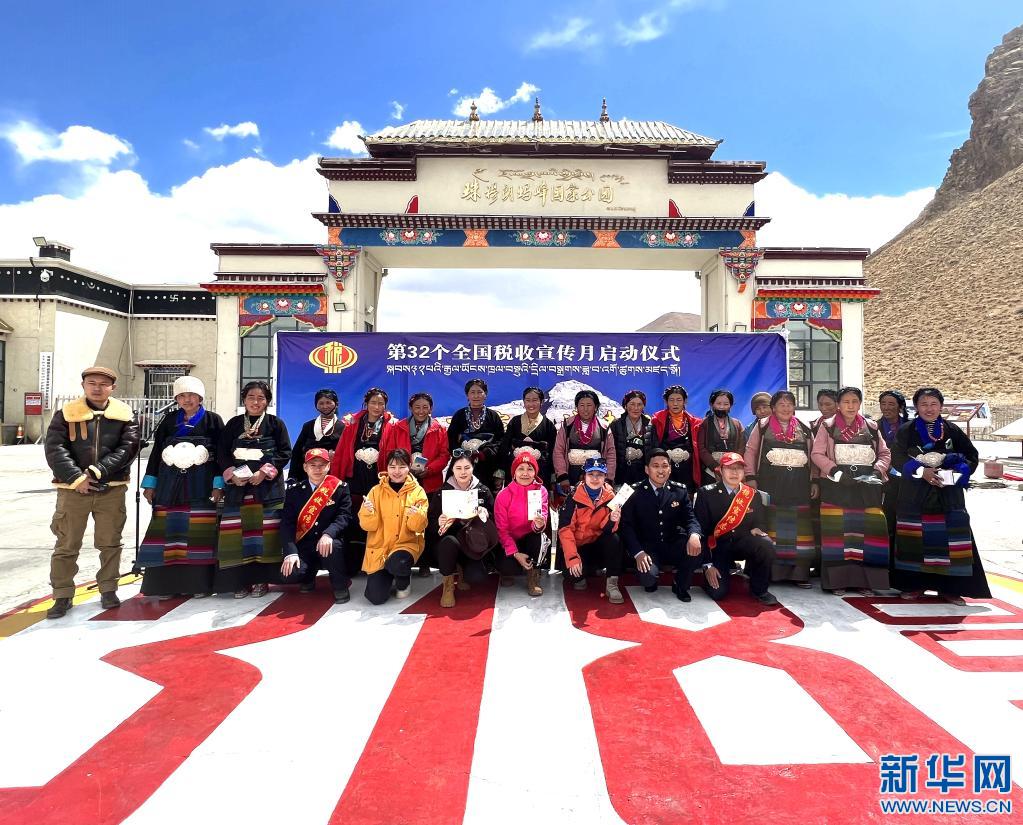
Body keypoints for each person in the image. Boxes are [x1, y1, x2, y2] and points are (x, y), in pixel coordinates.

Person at [44, 366, 140, 619]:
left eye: (103, 384)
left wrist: (98, 471)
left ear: (113, 388)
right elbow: (55, 449)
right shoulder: (66, 414)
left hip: (111, 489)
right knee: (66, 543)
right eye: (92, 383)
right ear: (83, 385)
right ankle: (62, 594)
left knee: (110, 543)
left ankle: (108, 589)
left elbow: (128, 448)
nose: (97, 388)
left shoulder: (124, 415)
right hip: (73, 490)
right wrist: (77, 478)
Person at [891, 387, 991, 604]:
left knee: (950, 541)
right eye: (924, 404)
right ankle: (914, 585)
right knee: (915, 540)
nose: (929, 408)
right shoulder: (907, 430)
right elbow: (896, 457)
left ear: (941, 406)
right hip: (916, 495)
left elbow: (971, 455)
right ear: (916, 407)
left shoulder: (952, 430)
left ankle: (950, 589)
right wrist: (921, 471)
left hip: (948, 495)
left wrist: (958, 471)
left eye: (933, 404)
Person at [138, 376, 224, 600]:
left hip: (201, 485)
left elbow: (221, 455)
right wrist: (150, 484)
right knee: (168, 533)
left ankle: (198, 584)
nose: (187, 400)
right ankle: (165, 585)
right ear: (176, 399)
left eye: (192, 395)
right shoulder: (168, 421)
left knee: (198, 535)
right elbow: (156, 453)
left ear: (200, 397)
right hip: (169, 485)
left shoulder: (213, 420)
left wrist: (218, 485)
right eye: (182, 396)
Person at [811, 386, 891, 595]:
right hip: (837, 486)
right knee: (838, 535)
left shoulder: (871, 426)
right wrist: (835, 472)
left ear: (860, 403)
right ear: (838, 404)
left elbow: (884, 453)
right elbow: (817, 454)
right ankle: (837, 582)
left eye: (855, 401)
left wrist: (877, 471)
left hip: (867, 487)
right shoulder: (828, 426)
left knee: (867, 534)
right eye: (846, 402)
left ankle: (865, 582)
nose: (850, 406)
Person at [215, 381, 292, 598]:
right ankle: (238, 581)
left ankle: (261, 580)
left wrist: (264, 472)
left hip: (267, 490)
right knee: (237, 537)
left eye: (261, 398)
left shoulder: (276, 424)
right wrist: (232, 474)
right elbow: (222, 452)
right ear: (244, 399)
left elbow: (285, 452)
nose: (255, 402)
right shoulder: (233, 424)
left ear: (267, 401)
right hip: (237, 490)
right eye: (251, 397)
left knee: (264, 537)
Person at [743, 390, 818, 588]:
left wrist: (814, 481)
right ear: (773, 408)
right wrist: (750, 477)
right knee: (770, 527)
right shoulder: (762, 426)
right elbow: (750, 452)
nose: (786, 408)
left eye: (789, 404)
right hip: (770, 485)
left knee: (799, 530)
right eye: (781, 404)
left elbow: (813, 456)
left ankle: (799, 574)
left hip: (799, 486)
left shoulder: (804, 428)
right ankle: (769, 573)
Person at [620, 448, 703, 602]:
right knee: (647, 579)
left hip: (672, 542)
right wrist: (638, 553)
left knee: (697, 546)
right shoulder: (631, 490)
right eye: (655, 466)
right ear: (647, 469)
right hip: (647, 547)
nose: (660, 470)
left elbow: (690, 518)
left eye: (665, 466)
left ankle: (680, 583)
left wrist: (694, 534)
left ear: (670, 469)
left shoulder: (680, 490)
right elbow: (625, 526)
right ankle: (652, 575)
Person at [379, 391, 449, 578]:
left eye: (425, 407)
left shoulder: (439, 428)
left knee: (427, 523)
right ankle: (404, 560)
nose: (421, 411)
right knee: (404, 521)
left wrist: (430, 469)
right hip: (403, 481)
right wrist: (402, 471)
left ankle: (425, 562)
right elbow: (391, 452)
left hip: (429, 481)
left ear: (431, 408)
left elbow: (444, 455)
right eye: (417, 407)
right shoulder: (399, 427)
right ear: (411, 408)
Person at [694, 453, 778, 605]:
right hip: (717, 548)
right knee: (717, 593)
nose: (734, 472)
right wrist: (708, 564)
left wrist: (758, 528)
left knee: (765, 544)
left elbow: (761, 522)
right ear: (720, 470)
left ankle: (760, 589)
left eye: (739, 468)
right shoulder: (706, 493)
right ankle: (712, 574)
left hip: (742, 544)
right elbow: (701, 531)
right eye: (730, 468)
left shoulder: (752, 495)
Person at [330, 387, 394, 571]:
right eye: (373, 402)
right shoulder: (353, 423)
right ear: (366, 403)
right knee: (354, 519)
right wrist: (336, 479)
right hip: (355, 477)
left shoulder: (391, 425)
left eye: (381, 403)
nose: (377, 407)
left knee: (378, 520)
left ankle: (377, 563)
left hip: (378, 477)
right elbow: (342, 451)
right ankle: (353, 563)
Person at [427, 450, 500, 608]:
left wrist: (485, 514)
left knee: (477, 577)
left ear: (473, 468)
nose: (463, 472)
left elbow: (495, 521)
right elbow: (430, 523)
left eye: (467, 468)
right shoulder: (442, 492)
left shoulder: (482, 490)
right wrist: (438, 522)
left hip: (472, 542)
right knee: (448, 542)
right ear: (452, 469)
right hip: (449, 543)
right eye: (458, 468)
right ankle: (448, 585)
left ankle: (462, 569)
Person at [279, 448, 352, 604]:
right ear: (305, 467)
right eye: (313, 465)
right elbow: (287, 523)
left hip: (330, 543)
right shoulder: (294, 491)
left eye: (322, 465)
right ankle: (308, 577)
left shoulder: (340, 488)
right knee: (290, 573)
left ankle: (340, 586)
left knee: (333, 547)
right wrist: (290, 553)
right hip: (305, 544)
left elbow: (344, 516)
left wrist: (328, 534)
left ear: (328, 466)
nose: (317, 469)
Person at [359, 449, 429, 605]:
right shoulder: (375, 491)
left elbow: (418, 528)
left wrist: (416, 515)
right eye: (392, 467)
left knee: (397, 564)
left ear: (409, 467)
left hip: (406, 545)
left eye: (402, 467)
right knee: (375, 598)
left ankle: (403, 580)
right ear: (387, 468)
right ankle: (389, 574)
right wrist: (368, 512)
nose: (397, 471)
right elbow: (367, 526)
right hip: (380, 549)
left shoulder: (418, 492)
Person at [558, 457, 625, 604]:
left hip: (597, 544)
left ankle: (612, 584)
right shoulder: (573, 497)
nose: (595, 478)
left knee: (614, 539)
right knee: (572, 575)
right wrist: (572, 557)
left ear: (605, 477)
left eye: (599, 475)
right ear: (584, 476)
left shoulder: (611, 496)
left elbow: (608, 530)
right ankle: (589, 570)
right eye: (591, 474)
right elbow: (565, 529)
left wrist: (612, 519)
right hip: (579, 546)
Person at [494, 452, 549, 597]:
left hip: (530, 537)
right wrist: (515, 553)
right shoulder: (503, 495)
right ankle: (512, 568)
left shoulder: (541, 491)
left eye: (530, 469)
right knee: (507, 567)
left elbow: (543, 516)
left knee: (539, 537)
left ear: (535, 472)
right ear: (514, 472)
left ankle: (533, 575)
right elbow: (502, 529)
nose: (525, 473)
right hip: (511, 540)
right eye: (521, 469)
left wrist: (539, 524)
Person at [553, 390, 616, 496]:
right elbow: (558, 451)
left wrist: (608, 478)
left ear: (596, 407)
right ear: (576, 407)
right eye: (582, 405)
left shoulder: (604, 428)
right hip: (571, 475)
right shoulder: (567, 425)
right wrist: (563, 476)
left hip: (596, 476)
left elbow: (611, 454)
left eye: (589, 405)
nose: (585, 409)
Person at [447, 378, 506, 489]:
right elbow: (451, 439)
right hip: (462, 464)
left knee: (485, 496)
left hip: (487, 465)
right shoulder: (459, 415)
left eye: (479, 392)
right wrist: (462, 454)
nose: (476, 396)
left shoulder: (493, 416)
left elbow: (500, 441)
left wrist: (485, 453)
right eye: (472, 392)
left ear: (485, 394)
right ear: (467, 395)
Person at [647, 385, 702, 493]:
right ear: (666, 401)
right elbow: (653, 446)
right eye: (671, 400)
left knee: (687, 496)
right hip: (665, 468)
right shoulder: (657, 420)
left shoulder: (695, 422)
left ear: (685, 401)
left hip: (687, 469)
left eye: (679, 400)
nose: (675, 403)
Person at [500, 386, 557, 489]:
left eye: (535, 400)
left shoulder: (548, 425)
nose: (531, 404)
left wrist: (553, 474)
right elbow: (505, 446)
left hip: (540, 472)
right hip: (515, 470)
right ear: (524, 402)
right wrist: (501, 470)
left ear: (541, 402)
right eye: (528, 400)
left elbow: (553, 451)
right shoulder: (515, 422)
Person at [878, 389, 910, 557]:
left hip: (908, 478)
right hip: (885, 479)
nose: (886, 407)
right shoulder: (874, 427)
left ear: (900, 407)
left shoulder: (911, 427)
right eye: (883, 404)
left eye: (891, 404)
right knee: (886, 517)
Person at [289, 389, 342, 484]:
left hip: (331, 474)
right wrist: (292, 476)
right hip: (307, 474)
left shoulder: (343, 427)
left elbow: (345, 453)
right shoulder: (308, 426)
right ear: (316, 405)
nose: (325, 406)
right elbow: (297, 452)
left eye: (328, 402)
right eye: (321, 403)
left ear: (336, 404)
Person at [697, 389, 748, 483]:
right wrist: (715, 466)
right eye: (718, 403)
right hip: (710, 470)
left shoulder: (737, 424)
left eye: (726, 404)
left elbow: (742, 447)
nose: (722, 407)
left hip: (733, 468)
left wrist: (733, 464)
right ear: (712, 404)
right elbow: (701, 448)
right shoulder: (705, 423)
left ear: (730, 406)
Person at [610, 389, 651, 487]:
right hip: (621, 473)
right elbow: (610, 452)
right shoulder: (616, 425)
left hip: (643, 473)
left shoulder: (650, 426)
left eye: (639, 404)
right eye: (632, 404)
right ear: (625, 405)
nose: (636, 408)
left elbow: (653, 450)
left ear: (643, 406)